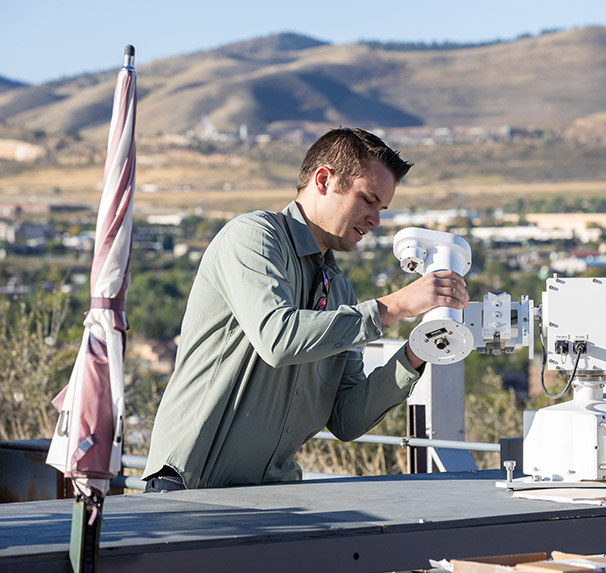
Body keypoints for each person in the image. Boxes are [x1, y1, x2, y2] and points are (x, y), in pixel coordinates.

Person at [143, 127, 469, 491]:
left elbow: (346, 419)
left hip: (275, 493)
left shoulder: (341, 291)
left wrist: (416, 352)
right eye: (368, 200)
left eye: (382, 208)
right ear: (324, 180)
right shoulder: (252, 237)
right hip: (190, 486)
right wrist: (395, 306)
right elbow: (277, 338)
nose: (376, 220)